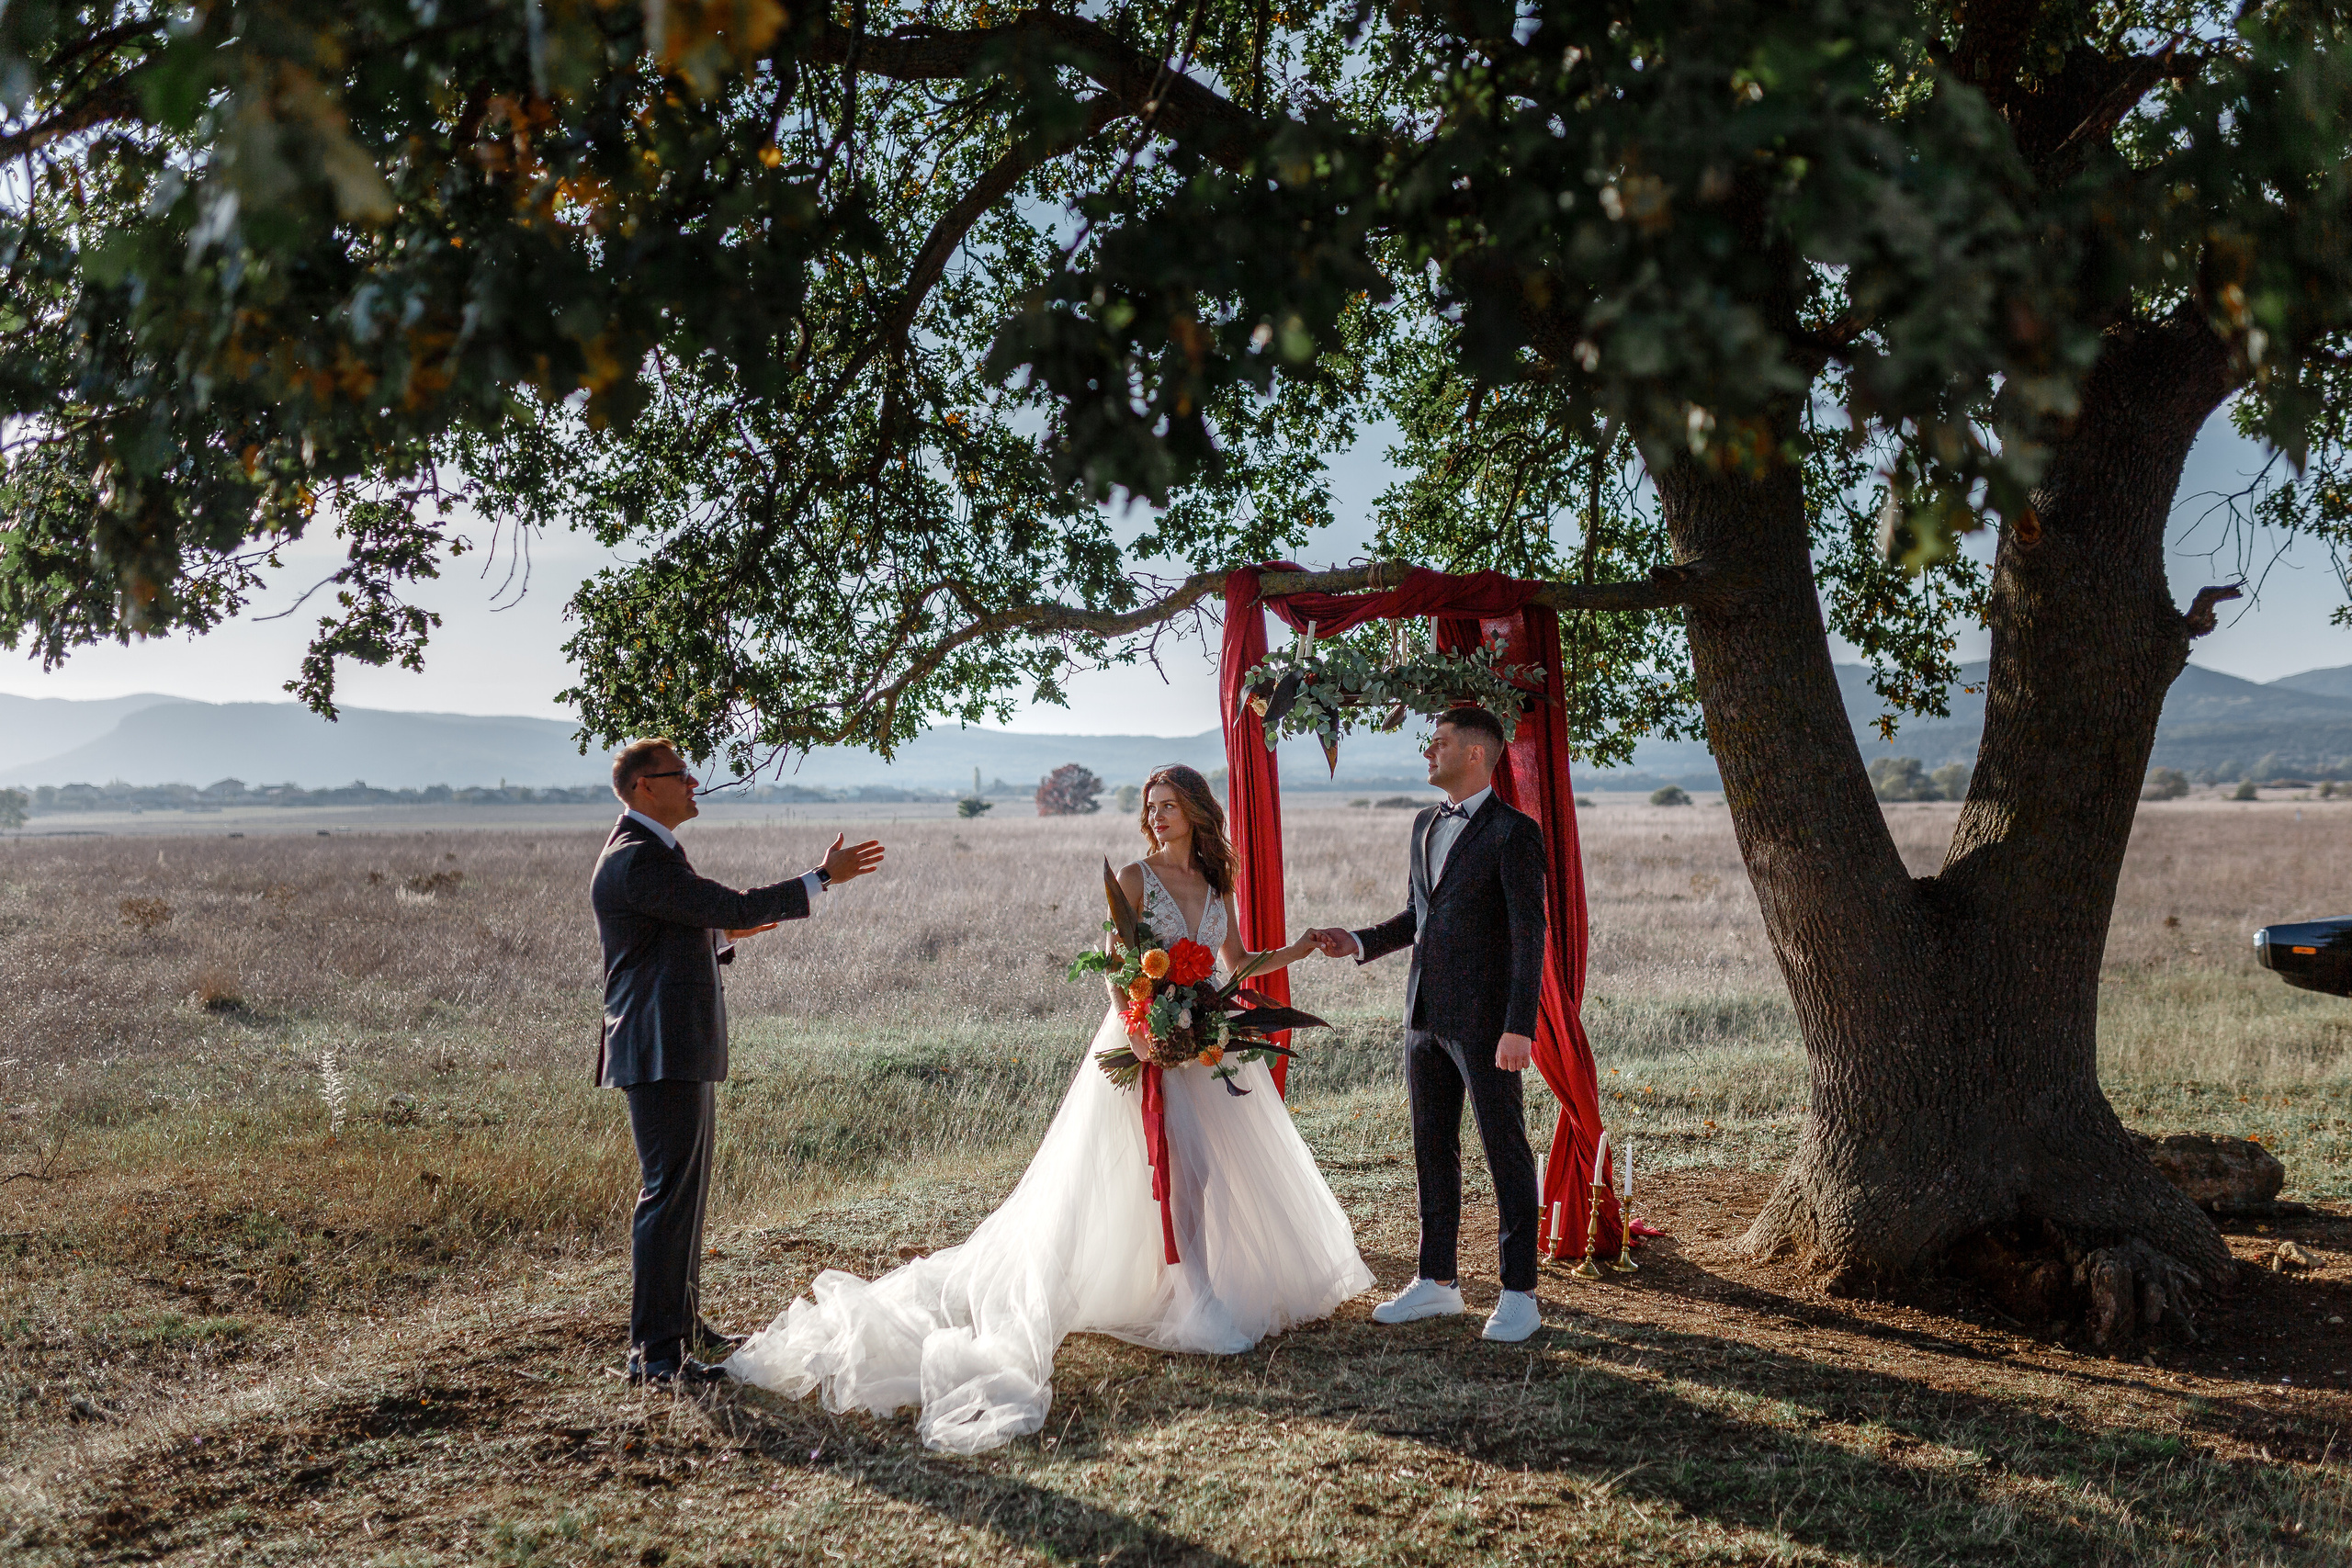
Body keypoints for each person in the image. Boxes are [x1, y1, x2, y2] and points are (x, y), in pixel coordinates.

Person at [726, 762, 1372, 1451]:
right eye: (1150, 806)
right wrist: (1146, 1030)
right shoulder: (1133, 877)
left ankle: (1187, 1288)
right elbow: (1112, 969)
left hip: (1204, 1043)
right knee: (1164, 1168)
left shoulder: (1216, 884)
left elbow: (1235, 963)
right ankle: (1198, 1299)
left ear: (1197, 811)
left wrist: (1299, 947)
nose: (1156, 817)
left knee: (1202, 1171)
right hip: (1145, 1043)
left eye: (1168, 806)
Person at [594, 738, 886, 1384]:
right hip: (658, 1045)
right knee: (667, 1196)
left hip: (674, 1043)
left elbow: (673, 933)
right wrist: (822, 877)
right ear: (646, 785)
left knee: (685, 1196)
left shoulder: (651, 854)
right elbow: (728, 903)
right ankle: (657, 1355)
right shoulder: (638, 857)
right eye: (681, 774)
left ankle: (683, 1328)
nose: (694, 782)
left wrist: (722, 935)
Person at [1306, 705, 1548, 1343]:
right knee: (1430, 1149)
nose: (1426, 752)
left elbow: (1530, 937)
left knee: (1505, 1150)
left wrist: (1519, 1025)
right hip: (1423, 1017)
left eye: (1437, 743)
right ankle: (1436, 1282)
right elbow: (1419, 913)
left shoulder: (1513, 833)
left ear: (1475, 753)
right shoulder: (1422, 824)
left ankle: (1520, 1291)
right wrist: (1355, 939)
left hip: (1489, 1024)